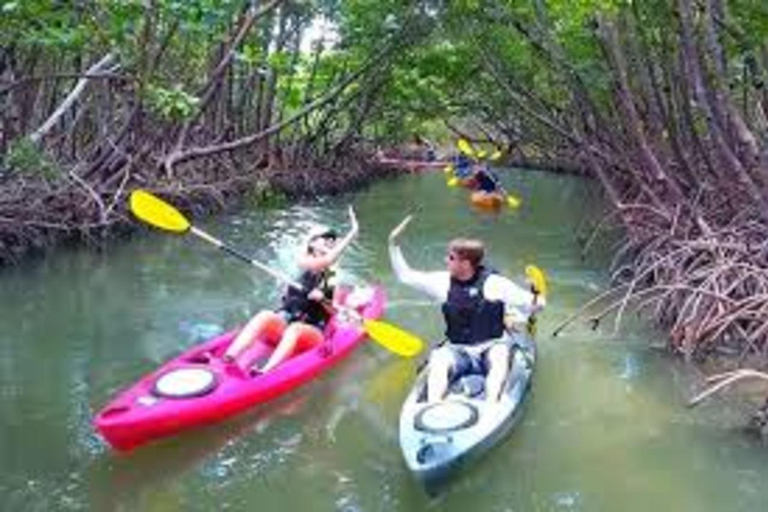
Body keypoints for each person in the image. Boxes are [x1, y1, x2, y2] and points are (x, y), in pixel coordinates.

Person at [388, 215, 544, 402]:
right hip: (457, 349)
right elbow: (405, 276)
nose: (446, 260)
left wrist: (536, 298)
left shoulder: (495, 283)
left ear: (466, 263)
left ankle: (492, 405)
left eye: (451, 257)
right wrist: (393, 244)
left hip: (492, 345)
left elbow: (536, 304)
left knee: (500, 358)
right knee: (438, 359)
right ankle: (433, 407)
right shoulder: (441, 281)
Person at [222, 206, 359, 374]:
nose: (330, 244)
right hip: (286, 322)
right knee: (264, 315)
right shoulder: (303, 262)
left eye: (332, 242)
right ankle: (230, 356)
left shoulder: (330, 275)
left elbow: (332, 310)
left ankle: (265, 372)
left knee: (295, 329)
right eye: (326, 240)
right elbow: (314, 261)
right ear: (313, 244)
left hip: (311, 333)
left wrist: (322, 299)